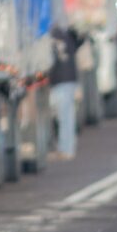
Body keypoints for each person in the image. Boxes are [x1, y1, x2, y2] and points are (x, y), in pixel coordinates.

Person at [49, 25, 82, 160]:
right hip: (70, 80)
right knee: (67, 117)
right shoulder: (69, 37)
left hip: (60, 81)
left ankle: (65, 150)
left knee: (63, 117)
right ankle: (67, 148)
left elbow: (50, 63)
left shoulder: (53, 40)